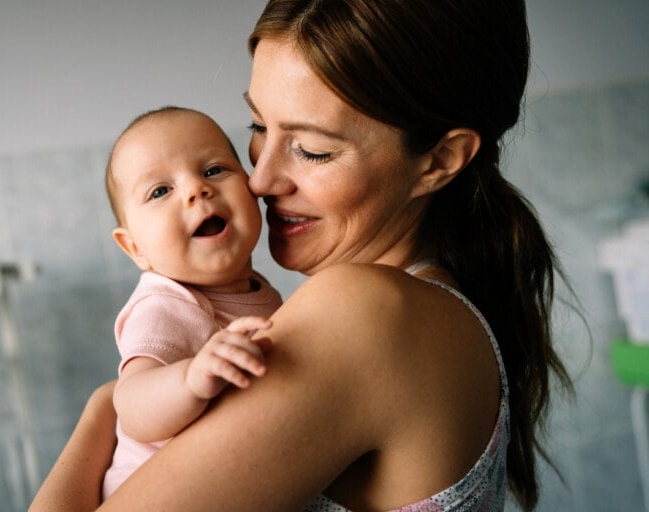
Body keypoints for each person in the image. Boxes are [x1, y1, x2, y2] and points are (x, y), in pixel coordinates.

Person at [29, 1, 572, 511]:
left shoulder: (365, 313)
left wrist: (107, 405)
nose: (259, 180)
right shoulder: (435, 307)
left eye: (313, 149)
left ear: (440, 160)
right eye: (259, 128)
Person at [100, 106, 282, 498]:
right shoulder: (164, 305)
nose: (196, 190)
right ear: (134, 248)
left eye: (214, 169)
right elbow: (131, 408)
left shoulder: (256, 290)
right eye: (160, 191)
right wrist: (191, 379)